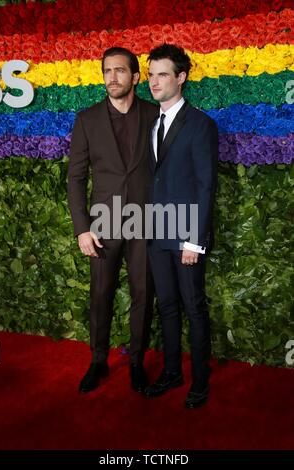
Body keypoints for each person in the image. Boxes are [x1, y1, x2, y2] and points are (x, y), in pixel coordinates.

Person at [68, 47, 158, 394]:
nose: (112, 78)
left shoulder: (155, 115)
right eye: (107, 71)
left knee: (143, 292)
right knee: (101, 294)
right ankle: (98, 361)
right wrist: (82, 229)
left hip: (146, 221)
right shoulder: (87, 119)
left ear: (135, 77)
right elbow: (75, 178)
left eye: (120, 71)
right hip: (102, 224)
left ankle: (136, 361)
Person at [144, 44, 218, 408]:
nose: (154, 82)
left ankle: (200, 382)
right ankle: (172, 372)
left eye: (162, 75)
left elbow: (205, 185)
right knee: (168, 306)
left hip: (186, 235)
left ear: (181, 78)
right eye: (151, 74)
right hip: (157, 233)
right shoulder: (152, 123)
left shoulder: (201, 124)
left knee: (193, 307)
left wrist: (194, 240)